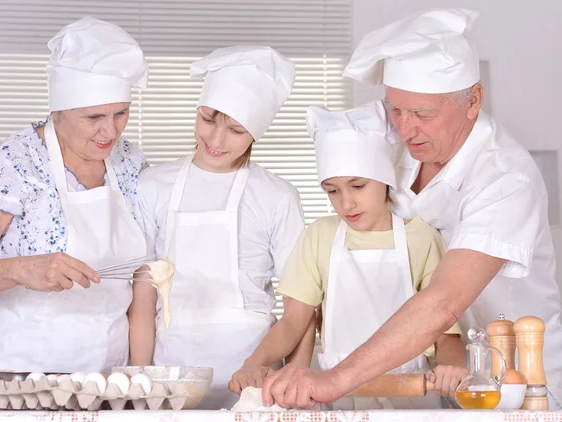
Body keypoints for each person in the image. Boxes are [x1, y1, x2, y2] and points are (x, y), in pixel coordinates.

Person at [260, 8, 562, 410]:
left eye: (422, 114)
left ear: (472, 101)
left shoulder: (506, 179)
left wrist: (335, 378)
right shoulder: (397, 155)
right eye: (396, 110)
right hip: (436, 381)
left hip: (516, 385)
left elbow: (444, 301)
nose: (404, 129)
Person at [230, 101, 467, 409]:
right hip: (338, 399)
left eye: (358, 186)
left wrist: (451, 368)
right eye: (332, 191)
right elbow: (293, 322)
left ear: (385, 180)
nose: (347, 204)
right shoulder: (320, 236)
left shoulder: (421, 238)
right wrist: (254, 362)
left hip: (411, 397)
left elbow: (445, 333)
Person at [0, 17, 149, 373]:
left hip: (109, 371)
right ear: (58, 111)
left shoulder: (130, 161)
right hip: (19, 372)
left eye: (121, 114)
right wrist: (21, 269)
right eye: (93, 117)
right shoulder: (12, 163)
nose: (109, 131)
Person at [129, 46, 306, 410]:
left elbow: (301, 308)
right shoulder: (152, 185)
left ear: (256, 132)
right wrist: (138, 379)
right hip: (169, 374)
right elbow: (143, 297)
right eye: (208, 119)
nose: (216, 140)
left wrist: (296, 382)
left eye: (236, 130)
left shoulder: (277, 196)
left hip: (255, 380)